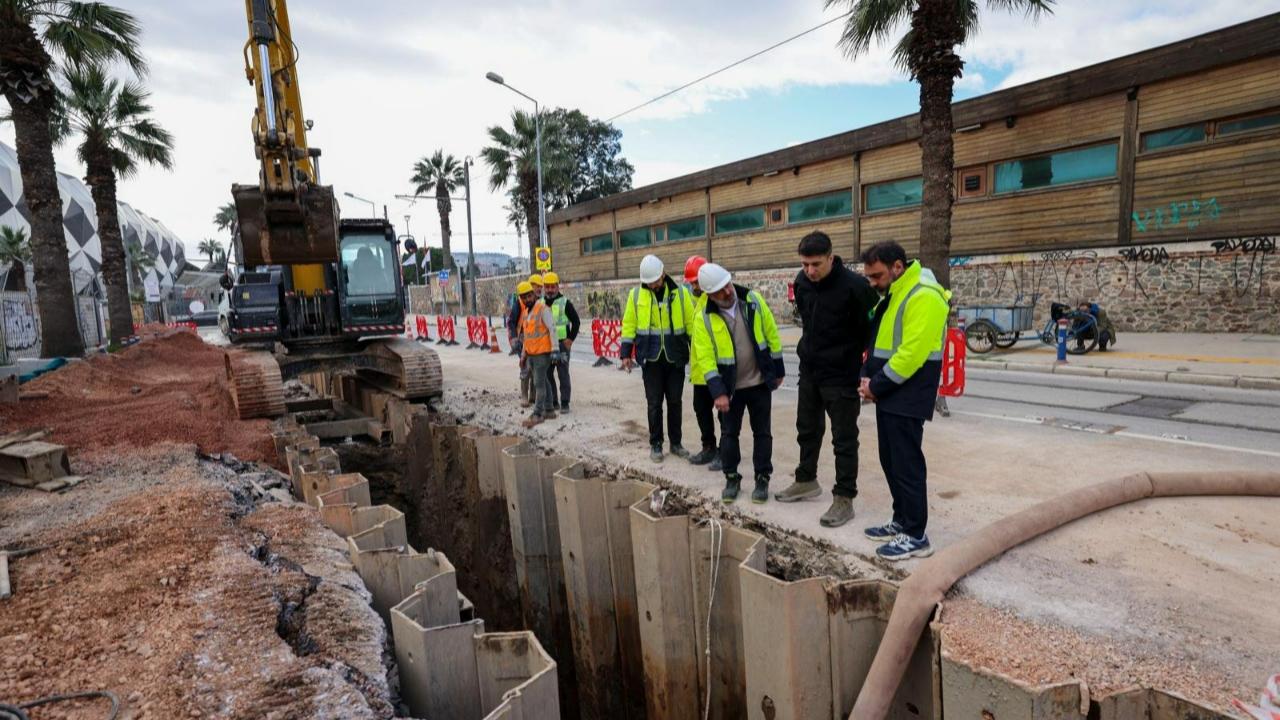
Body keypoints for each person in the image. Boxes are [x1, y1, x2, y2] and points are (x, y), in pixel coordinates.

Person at [776, 231, 879, 528]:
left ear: (831, 258)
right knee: (807, 429)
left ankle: (844, 498)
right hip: (810, 372)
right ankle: (806, 480)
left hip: (842, 375)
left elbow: (871, 333)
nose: (810, 271)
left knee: (844, 439)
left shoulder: (857, 287)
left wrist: (866, 371)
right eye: (805, 264)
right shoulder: (802, 282)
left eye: (816, 264)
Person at [858, 241, 950, 561]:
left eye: (877, 275)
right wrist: (868, 377)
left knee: (907, 464)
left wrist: (876, 386)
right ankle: (901, 519)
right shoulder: (898, 291)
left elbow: (911, 354)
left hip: (908, 392)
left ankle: (915, 534)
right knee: (891, 460)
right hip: (890, 391)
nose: (872, 283)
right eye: (869, 276)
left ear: (897, 267)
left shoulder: (924, 294)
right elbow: (882, 343)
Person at [690, 263, 784, 504]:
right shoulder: (704, 319)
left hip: (759, 382)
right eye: (720, 291)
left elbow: (771, 332)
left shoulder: (752, 301)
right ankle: (732, 478)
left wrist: (778, 369)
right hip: (730, 390)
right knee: (729, 434)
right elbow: (706, 359)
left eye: (728, 285)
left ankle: (762, 479)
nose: (728, 292)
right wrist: (718, 392)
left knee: (763, 433)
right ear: (709, 294)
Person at [620, 254, 696, 464]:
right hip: (651, 358)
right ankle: (656, 444)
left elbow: (690, 324)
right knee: (654, 403)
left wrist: (696, 351)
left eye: (655, 280)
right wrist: (626, 353)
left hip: (675, 357)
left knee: (675, 402)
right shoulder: (636, 295)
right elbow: (629, 324)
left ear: (663, 274)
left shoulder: (680, 293)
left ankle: (676, 443)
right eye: (649, 282)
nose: (653, 285)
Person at [683, 255, 720, 471]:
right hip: (699, 370)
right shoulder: (693, 300)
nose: (694, 286)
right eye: (692, 283)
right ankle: (709, 447)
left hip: (717, 368)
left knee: (725, 413)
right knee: (701, 409)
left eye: (696, 282)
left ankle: (726, 451)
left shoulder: (716, 298)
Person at [520, 286, 560, 428]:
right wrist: (523, 354)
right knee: (544, 381)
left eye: (529, 296)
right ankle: (549, 410)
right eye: (524, 297)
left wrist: (555, 349)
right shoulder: (525, 313)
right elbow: (526, 336)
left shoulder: (543, 309)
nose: (527, 299)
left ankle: (537, 413)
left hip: (543, 353)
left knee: (538, 383)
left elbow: (552, 329)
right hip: (532, 353)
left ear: (533, 295)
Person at [542, 271, 580, 413]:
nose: (550, 290)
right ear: (544, 287)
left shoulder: (565, 303)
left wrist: (570, 339)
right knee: (547, 374)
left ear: (558, 287)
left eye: (553, 287)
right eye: (547, 287)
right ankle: (553, 401)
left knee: (563, 373)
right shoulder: (540, 304)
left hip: (562, 345)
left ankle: (565, 402)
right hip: (546, 346)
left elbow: (576, 322)